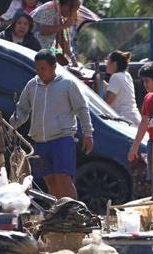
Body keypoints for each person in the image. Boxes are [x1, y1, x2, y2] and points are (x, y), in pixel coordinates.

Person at [8, 49, 93, 200]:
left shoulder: (67, 84)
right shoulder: (32, 85)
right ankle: (58, 216)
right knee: (50, 181)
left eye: (43, 68)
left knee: (63, 179)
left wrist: (88, 133)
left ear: (54, 67)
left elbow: (82, 109)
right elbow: (22, 109)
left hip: (62, 139)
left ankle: (75, 215)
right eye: (37, 68)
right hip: (40, 141)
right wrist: (12, 125)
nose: (40, 72)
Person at [31, 0, 81, 64]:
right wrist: (64, 25)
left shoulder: (58, 13)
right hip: (32, 48)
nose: (74, 13)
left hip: (44, 50)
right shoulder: (50, 8)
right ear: (66, 6)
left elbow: (61, 39)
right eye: (74, 10)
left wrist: (72, 57)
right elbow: (44, 31)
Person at [104, 50, 140, 125]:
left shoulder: (115, 77)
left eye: (108, 61)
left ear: (114, 63)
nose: (106, 64)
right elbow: (118, 91)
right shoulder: (126, 75)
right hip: (134, 117)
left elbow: (107, 102)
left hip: (125, 120)